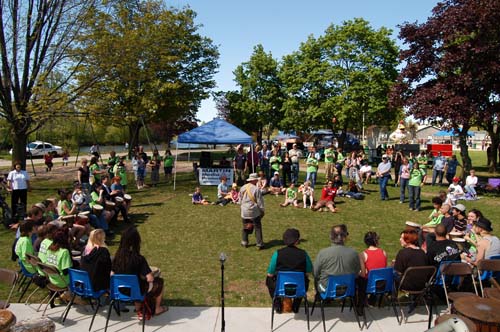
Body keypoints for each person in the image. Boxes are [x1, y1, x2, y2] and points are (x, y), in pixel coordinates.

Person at [112, 227, 167, 318]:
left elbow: (112, 275)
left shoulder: (117, 258)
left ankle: (139, 309)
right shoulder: (139, 258)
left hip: (120, 291)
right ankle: (157, 308)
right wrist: (152, 274)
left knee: (137, 284)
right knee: (159, 282)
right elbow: (150, 279)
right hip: (136, 292)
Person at [266, 228, 313, 314]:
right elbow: (309, 270)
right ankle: (296, 305)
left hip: (281, 287)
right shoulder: (303, 254)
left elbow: (270, 273)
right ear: (296, 241)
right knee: (305, 278)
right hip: (299, 287)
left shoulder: (277, 253)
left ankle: (277, 305)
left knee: (268, 280)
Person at [314, 224, 360, 293]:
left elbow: (315, 273)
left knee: (317, 280)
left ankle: (321, 297)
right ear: (344, 237)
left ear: (330, 236)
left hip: (327, 289)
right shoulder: (354, 253)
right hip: (347, 288)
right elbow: (356, 273)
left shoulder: (322, 253)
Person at [240, 173, 265, 249]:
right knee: (257, 227)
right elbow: (260, 201)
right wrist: (262, 210)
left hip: (244, 210)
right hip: (253, 211)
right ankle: (259, 244)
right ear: (254, 180)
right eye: (256, 179)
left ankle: (244, 242)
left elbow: (240, 199)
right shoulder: (256, 189)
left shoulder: (242, 187)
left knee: (245, 226)